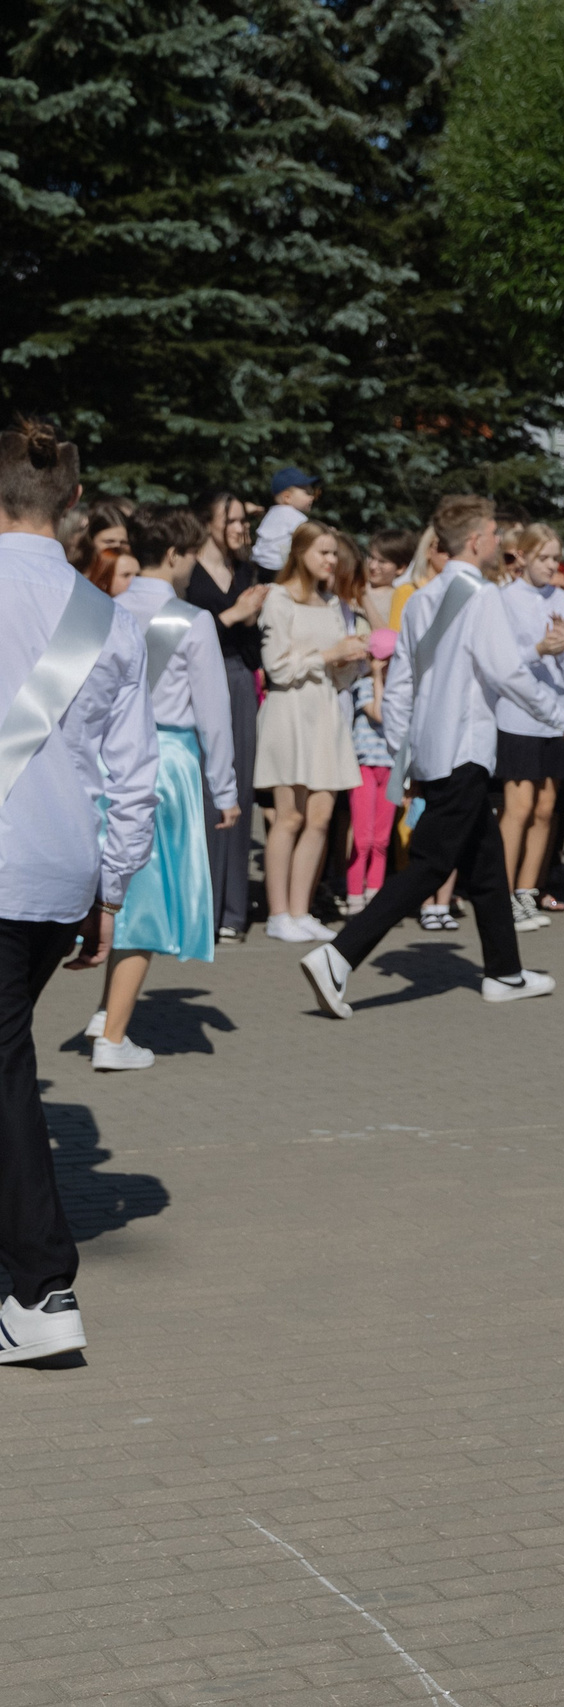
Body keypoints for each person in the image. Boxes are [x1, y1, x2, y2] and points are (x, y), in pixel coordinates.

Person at [0, 421, 154, 1363]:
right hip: (61, 871)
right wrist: (110, 891)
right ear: (73, 502)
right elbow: (132, 778)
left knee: (7, 1073)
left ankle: (40, 1287)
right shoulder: (109, 617)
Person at [299, 496, 564, 1018]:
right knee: (430, 865)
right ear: (476, 540)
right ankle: (338, 955)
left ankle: (504, 972)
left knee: (486, 866)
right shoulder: (483, 596)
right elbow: (505, 671)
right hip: (465, 750)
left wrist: (407, 750)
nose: (499, 541)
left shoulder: (421, 600)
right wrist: (557, 714)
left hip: (436, 751)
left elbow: (401, 688)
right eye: (494, 533)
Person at [85, 504, 238, 1073]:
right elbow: (213, 713)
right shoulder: (192, 620)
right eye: (192, 553)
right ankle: (113, 1038)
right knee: (144, 902)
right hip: (165, 761)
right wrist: (225, 788)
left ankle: (106, 1011)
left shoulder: (102, 610)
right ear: (174, 554)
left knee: (117, 890)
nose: (194, 564)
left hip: (103, 759)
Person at [254, 523, 365, 941]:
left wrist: (349, 659)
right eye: (323, 552)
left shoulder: (332, 602)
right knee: (289, 816)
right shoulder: (279, 598)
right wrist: (329, 654)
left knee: (320, 817)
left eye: (334, 553)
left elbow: (338, 675)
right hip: (290, 711)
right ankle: (278, 912)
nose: (331, 560)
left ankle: (300, 911)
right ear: (300, 553)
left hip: (325, 711)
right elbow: (278, 668)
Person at [184, 490, 265, 942]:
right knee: (205, 789)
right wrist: (235, 614)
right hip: (195, 682)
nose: (241, 528)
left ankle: (233, 911)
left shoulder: (246, 571)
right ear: (208, 522)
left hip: (237, 678)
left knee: (240, 789)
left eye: (243, 520)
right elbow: (183, 633)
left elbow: (252, 649)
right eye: (232, 520)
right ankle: (203, 907)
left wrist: (250, 621)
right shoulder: (188, 572)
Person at [489, 524, 564, 927]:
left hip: (556, 714)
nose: (551, 565)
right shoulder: (503, 599)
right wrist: (539, 648)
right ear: (522, 557)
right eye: (543, 557)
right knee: (519, 807)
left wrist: (563, 648)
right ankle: (503, 894)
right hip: (518, 715)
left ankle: (527, 891)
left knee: (545, 808)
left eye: (555, 557)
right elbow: (502, 662)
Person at [346, 532, 408, 916]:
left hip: (388, 756)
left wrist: (366, 600)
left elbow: (388, 636)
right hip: (364, 754)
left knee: (381, 836)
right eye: (371, 557)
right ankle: (355, 892)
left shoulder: (400, 598)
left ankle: (376, 894)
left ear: (400, 567)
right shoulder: (365, 686)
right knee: (362, 834)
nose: (374, 565)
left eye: (383, 560)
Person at [250, 466, 316, 572]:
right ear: (287, 498)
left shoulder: (271, 513)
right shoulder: (294, 516)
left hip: (259, 564)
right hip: (278, 567)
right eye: (307, 493)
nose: (312, 497)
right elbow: (311, 535)